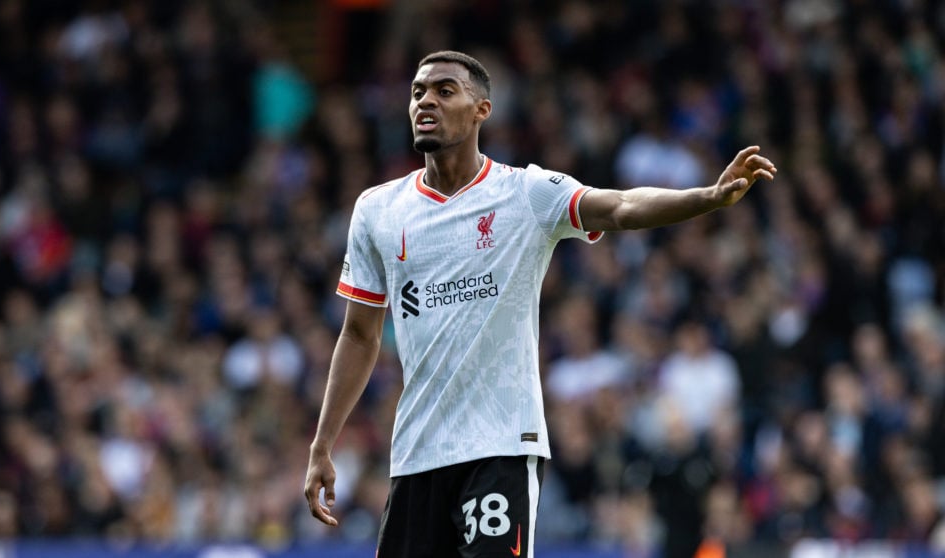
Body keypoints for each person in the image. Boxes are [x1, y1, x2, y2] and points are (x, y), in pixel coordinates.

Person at [304, 50, 776, 557]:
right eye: (418, 91)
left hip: (502, 446)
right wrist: (323, 442)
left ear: (482, 109)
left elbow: (618, 206)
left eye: (445, 91)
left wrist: (705, 197)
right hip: (417, 454)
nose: (426, 101)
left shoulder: (525, 193)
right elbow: (359, 334)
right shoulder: (377, 210)